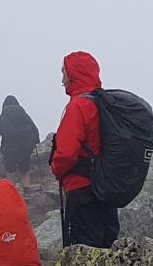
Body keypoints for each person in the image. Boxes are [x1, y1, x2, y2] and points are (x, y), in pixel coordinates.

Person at [52, 51, 121, 248]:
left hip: (81, 191)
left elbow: (66, 153)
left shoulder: (78, 106)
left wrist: (56, 169)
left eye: (64, 73)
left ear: (74, 74)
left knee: (82, 252)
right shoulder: (105, 104)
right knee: (107, 250)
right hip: (106, 189)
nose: (62, 80)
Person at [0, 96, 41, 183]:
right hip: (26, 147)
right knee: (24, 170)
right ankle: (27, 192)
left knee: (10, 171)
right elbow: (35, 130)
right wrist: (36, 143)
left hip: (10, 149)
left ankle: (11, 193)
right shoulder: (24, 115)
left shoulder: (3, 116)